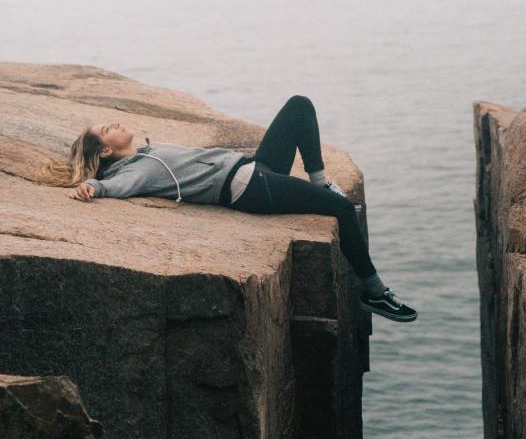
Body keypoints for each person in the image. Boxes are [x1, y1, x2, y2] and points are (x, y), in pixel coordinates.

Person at [36, 94, 417, 323]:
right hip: (251, 188)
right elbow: (115, 186)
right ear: (105, 150)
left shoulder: (146, 154)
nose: (114, 123)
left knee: (299, 106)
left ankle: (319, 181)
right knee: (341, 209)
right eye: (106, 129)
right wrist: (92, 186)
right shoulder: (139, 169)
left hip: (255, 167)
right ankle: (375, 292)